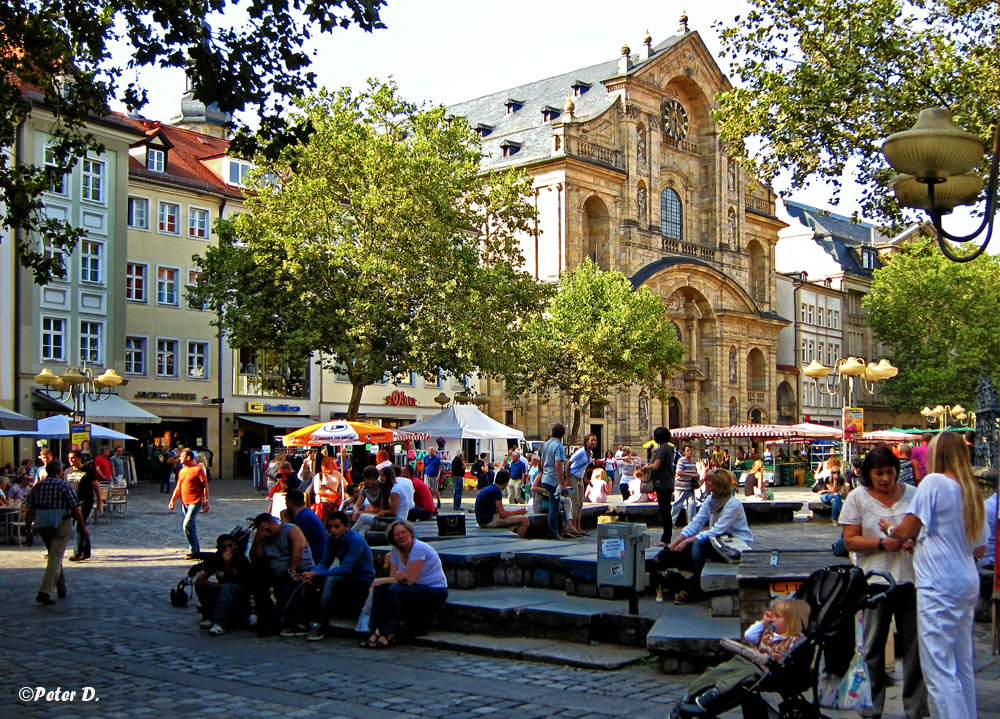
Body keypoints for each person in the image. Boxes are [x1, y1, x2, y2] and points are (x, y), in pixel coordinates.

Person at [880, 430, 988, 719]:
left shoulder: (935, 483)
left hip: (938, 584)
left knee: (938, 668)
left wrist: (889, 529)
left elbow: (906, 528)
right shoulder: (971, 489)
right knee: (962, 662)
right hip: (966, 579)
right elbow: (980, 548)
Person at [840, 445, 927, 719]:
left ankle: (915, 709)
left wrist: (914, 542)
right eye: (879, 474)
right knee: (872, 647)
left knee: (915, 649)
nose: (886, 479)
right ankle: (871, 708)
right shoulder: (857, 498)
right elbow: (850, 540)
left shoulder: (913, 496)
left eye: (890, 472)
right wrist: (881, 543)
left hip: (910, 580)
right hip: (874, 582)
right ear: (869, 474)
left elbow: (925, 532)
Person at [681, 598, 811, 713]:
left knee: (740, 676)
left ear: (791, 621)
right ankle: (691, 693)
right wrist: (763, 622)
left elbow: (787, 661)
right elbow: (749, 636)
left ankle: (714, 694)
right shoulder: (768, 632)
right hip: (749, 661)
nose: (772, 618)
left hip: (765, 670)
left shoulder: (794, 641)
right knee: (721, 670)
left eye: (777, 617)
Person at [655, 468, 753, 604]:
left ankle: (692, 586)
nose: (705, 482)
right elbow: (696, 523)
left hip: (734, 544)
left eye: (709, 480)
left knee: (698, 544)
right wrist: (675, 542)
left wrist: (687, 541)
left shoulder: (732, 504)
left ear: (718, 484)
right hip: (716, 542)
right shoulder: (711, 500)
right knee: (674, 552)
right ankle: (685, 578)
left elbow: (716, 531)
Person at [362, 519, 448, 648]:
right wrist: (387, 580)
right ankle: (376, 630)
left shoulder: (418, 548)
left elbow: (411, 580)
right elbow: (394, 577)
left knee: (393, 589)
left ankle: (390, 632)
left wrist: (380, 580)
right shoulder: (396, 550)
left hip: (434, 590)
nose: (401, 536)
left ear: (410, 533)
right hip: (414, 587)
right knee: (382, 588)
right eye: (397, 534)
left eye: (404, 532)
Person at [297, 511, 375, 641]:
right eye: (330, 527)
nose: (333, 530)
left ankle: (321, 621)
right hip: (347, 576)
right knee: (308, 580)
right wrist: (313, 574)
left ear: (346, 526)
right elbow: (324, 562)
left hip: (362, 578)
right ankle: (303, 620)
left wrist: (317, 573)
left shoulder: (355, 541)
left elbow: (345, 569)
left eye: (337, 526)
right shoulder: (332, 540)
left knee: (330, 580)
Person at [24, 459, 90, 604]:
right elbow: (75, 508)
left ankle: (62, 588)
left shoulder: (37, 487)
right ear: (60, 472)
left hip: (42, 524)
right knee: (55, 557)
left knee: (55, 555)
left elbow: (29, 512)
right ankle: (44, 591)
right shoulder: (64, 486)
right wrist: (83, 527)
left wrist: (28, 532)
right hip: (61, 523)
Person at [249, 513, 315, 637]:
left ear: (274, 524)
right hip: (276, 572)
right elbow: (255, 557)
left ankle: (274, 623)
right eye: (263, 530)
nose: (267, 532)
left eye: (268, 528)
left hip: (299, 569)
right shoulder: (263, 538)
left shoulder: (291, 529)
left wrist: (292, 570)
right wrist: (257, 540)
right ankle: (263, 617)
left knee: (288, 589)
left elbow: (299, 547)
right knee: (256, 578)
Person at [195, 534, 251, 636]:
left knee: (228, 587)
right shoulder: (215, 558)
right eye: (224, 547)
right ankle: (208, 615)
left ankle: (220, 623)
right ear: (218, 548)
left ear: (235, 545)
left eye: (230, 546)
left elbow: (229, 579)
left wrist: (227, 562)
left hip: (240, 592)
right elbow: (200, 580)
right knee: (202, 586)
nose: (228, 549)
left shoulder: (240, 559)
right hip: (224, 590)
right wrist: (217, 586)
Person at [168, 448, 210, 559]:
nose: (179, 458)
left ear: (188, 458)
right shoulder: (182, 471)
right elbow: (178, 487)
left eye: (181, 456)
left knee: (187, 524)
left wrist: (206, 501)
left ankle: (193, 550)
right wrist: (172, 500)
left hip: (195, 501)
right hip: (184, 502)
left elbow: (205, 486)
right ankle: (195, 550)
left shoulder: (198, 469)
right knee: (191, 527)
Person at [641, 427, 676, 546]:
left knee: (664, 511)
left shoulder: (662, 449)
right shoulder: (670, 448)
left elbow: (655, 466)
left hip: (662, 483)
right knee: (666, 510)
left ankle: (665, 539)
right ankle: (666, 537)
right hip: (668, 482)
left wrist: (646, 468)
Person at [64, 449, 101, 562]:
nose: (70, 460)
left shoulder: (88, 471)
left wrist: (99, 502)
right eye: (69, 458)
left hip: (85, 501)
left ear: (79, 458)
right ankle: (87, 551)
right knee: (80, 525)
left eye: (73, 458)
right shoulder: (67, 471)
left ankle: (77, 552)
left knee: (78, 526)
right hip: (72, 502)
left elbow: (96, 486)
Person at [474, 470, 530, 538]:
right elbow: (502, 514)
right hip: (488, 522)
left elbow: (498, 511)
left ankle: (508, 539)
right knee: (525, 520)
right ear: (506, 482)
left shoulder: (491, 488)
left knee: (511, 523)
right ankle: (517, 540)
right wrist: (519, 512)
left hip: (482, 520)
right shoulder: (496, 491)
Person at [538, 423, 568, 540]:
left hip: (545, 478)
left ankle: (554, 531)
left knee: (553, 506)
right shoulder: (559, 446)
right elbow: (558, 466)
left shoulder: (546, 445)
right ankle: (553, 533)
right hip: (553, 480)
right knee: (554, 508)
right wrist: (562, 484)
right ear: (563, 434)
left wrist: (542, 473)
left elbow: (541, 462)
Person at [284, 489, 327, 562]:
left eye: (286, 501)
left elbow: (293, 541)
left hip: (314, 558)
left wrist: (285, 522)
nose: (285, 504)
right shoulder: (306, 513)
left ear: (291, 502)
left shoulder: (303, 517)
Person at [566, 433, 596, 536]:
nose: (594, 442)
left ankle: (578, 527)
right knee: (575, 502)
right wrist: (567, 480)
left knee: (580, 503)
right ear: (586, 441)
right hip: (573, 477)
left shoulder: (590, 453)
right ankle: (573, 527)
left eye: (595, 440)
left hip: (580, 479)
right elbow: (568, 463)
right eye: (592, 440)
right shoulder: (581, 452)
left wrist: (587, 480)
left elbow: (583, 468)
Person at [311, 455, 346, 521]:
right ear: (326, 464)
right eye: (331, 463)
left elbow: (345, 485)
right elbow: (317, 491)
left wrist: (341, 493)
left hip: (335, 504)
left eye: (334, 463)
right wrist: (330, 495)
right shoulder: (319, 476)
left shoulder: (337, 474)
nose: (334, 465)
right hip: (323, 504)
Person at [673, 444, 700, 525]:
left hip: (690, 487)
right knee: (677, 505)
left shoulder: (694, 461)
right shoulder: (681, 461)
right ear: (684, 452)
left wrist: (697, 475)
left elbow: (694, 471)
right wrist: (692, 475)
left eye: (691, 450)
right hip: (681, 487)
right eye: (688, 450)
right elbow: (678, 472)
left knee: (692, 504)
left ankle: (692, 522)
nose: (690, 452)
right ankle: (671, 522)